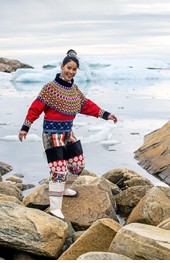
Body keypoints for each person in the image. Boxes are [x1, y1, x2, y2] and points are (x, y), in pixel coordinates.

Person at [18, 49, 117, 219]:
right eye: (68, 68)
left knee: (78, 165)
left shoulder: (74, 90)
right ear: (61, 66)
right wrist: (25, 127)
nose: (71, 71)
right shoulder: (49, 88)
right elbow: (35, 108)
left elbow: (87, 105)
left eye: (74, 69)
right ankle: (55, 207)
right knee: (59, 171)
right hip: (52, 135)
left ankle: (62, 190)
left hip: (67, 133)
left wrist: (105, 114)